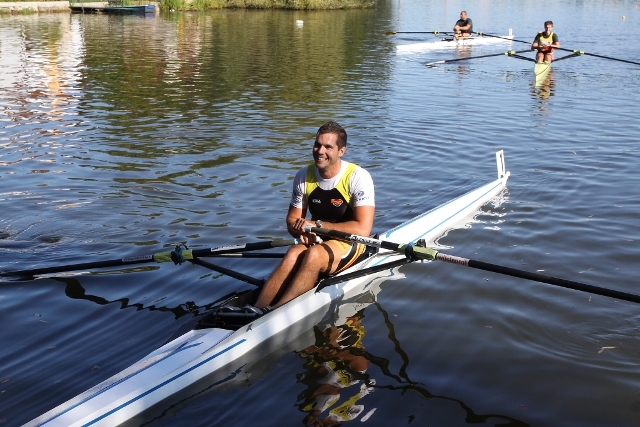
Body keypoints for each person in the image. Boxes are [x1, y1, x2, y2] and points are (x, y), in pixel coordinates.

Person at [248, 121, 375, 315]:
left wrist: (316, 225)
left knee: (314, 255)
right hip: (317, 238)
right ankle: (255, 311)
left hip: (350, 242)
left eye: (328, 147)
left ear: (341, 151)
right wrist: (299, 230)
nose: (320, 151)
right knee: (293, 253)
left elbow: (363, 229)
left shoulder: (358, 177)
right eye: (317, 145)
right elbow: (292, 220)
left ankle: (277, 313)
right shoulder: (303, 176)